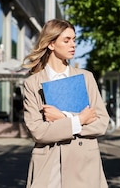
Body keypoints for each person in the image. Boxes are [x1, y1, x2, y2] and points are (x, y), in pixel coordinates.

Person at [21, 19, 110, 188]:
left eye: (74, 39)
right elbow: (38, 131)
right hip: (49, 164)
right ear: (51, 44)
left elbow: (101, 123)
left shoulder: (86, 77)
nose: (73, 45)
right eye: (67, 40)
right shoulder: (33, 83)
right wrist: (80, 120)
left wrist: (63, 118)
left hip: (84, 163)